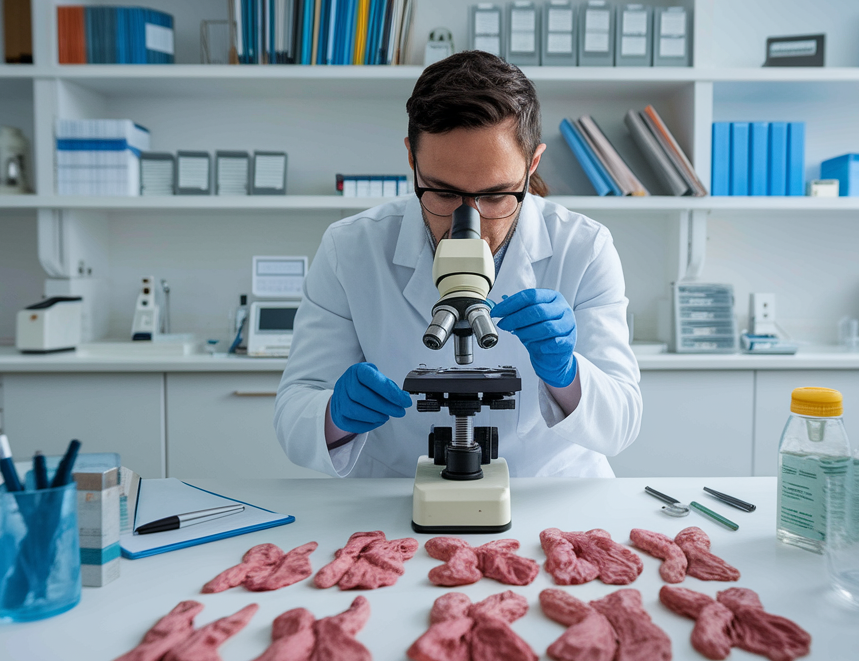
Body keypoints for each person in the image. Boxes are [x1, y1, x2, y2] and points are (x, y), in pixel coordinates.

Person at [275, 51, 641, 478]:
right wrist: (334, 415)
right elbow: (294, 413)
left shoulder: (584, 247)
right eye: (444, 194)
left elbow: (622, 424)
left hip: (549, 493)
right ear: (412, 159)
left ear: (531, 165)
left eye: (496, 195)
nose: (471, 222)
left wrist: (567, 374)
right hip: (393, 496)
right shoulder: (351, 247)